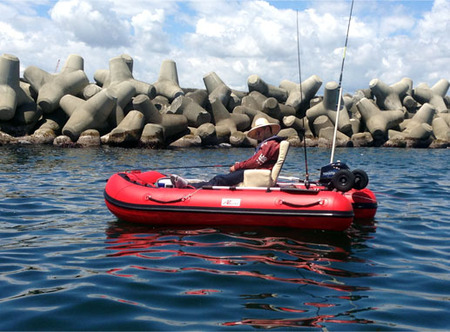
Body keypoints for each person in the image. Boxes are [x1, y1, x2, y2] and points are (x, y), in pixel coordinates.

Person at [170, 117, 284, 188]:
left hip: (255, 174)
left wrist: (237, 166)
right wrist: (240, 165)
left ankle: (189, 186)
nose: (258, 134)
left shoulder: (270, 144)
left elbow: (255, 162)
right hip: (254, 173)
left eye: (259, 131)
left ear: (267, 129)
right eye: (256, 132)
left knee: (219, 179)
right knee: (221, 178)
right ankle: (194, 185)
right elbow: (255, 161)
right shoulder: (271, 144)